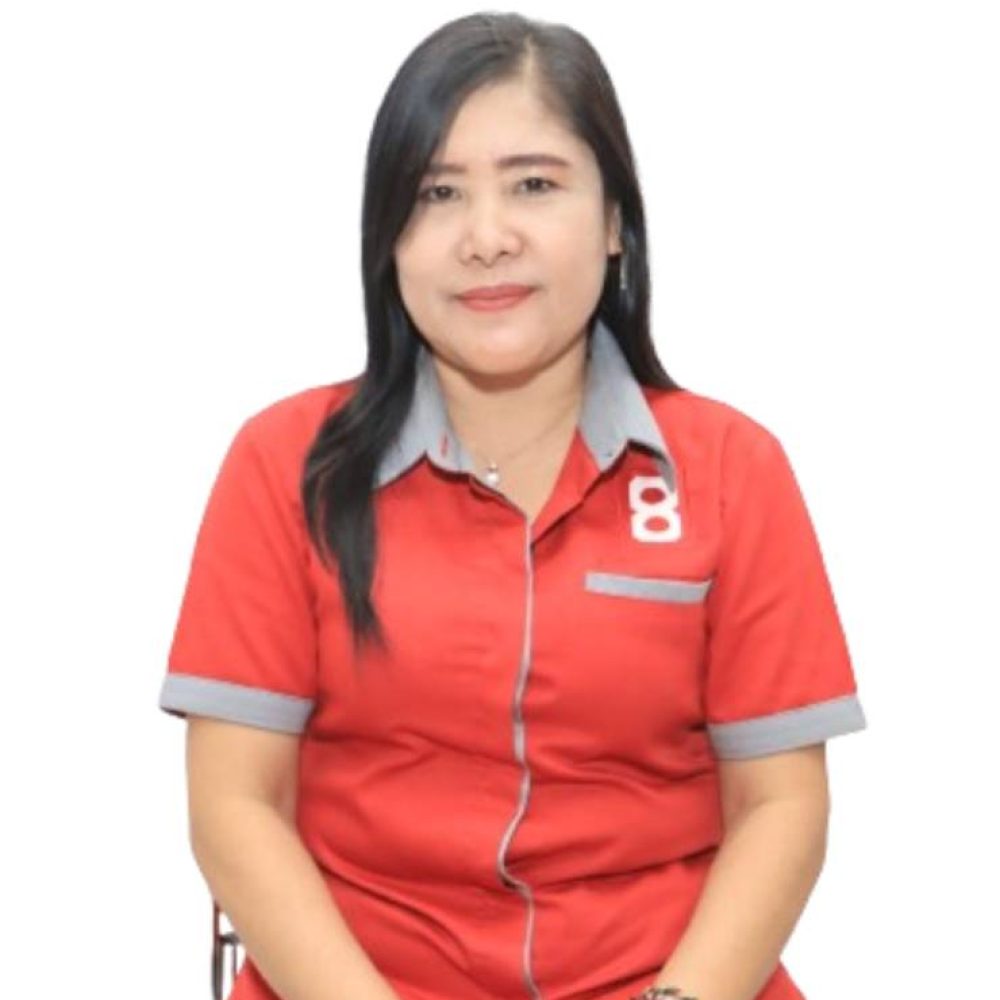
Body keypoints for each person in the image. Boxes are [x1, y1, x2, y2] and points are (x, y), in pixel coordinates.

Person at [158, 12, 867, 1000]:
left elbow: (780, 807)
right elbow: (236, 805)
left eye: (534, 184)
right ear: (388, 237)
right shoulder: (287, 465)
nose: (486, 238)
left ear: (614, 220)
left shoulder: (731, 470)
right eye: (436, 194)